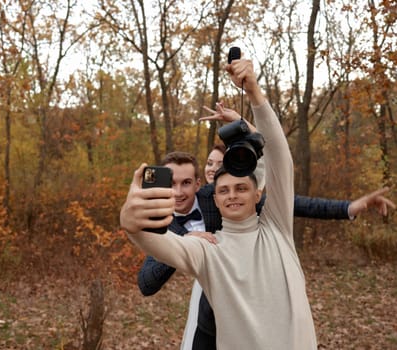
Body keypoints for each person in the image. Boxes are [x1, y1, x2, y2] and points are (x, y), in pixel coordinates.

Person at [122, 57, 394, 349]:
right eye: (224, 190)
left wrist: (254, 94)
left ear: (257, 195)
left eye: (241, 187)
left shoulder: (277, 228)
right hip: (209, 322)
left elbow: (279, 157)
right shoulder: (206, 249)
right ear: (215, 197)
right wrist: (131, 224)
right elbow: (159, 250)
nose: (233, 194)